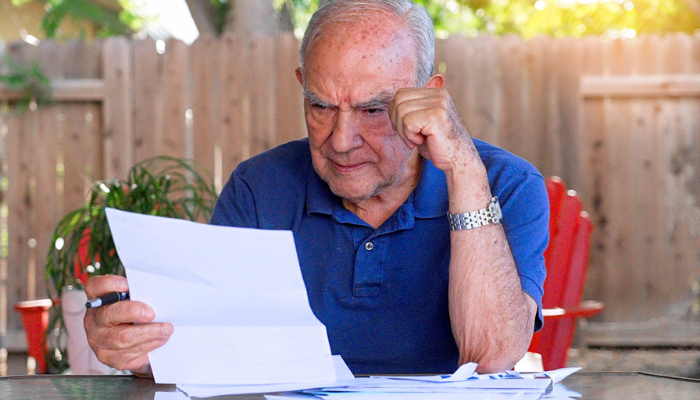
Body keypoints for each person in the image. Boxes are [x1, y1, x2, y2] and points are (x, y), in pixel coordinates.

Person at [84, 0, 548, 376]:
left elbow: (492, 358)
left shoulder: (507, 184)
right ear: (302, 86)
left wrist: (463, 172)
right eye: (321, 106)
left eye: (373, 110)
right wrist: (141, 349)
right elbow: (216, 349)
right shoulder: (258, 188)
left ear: (428, 97)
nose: (341, 142)